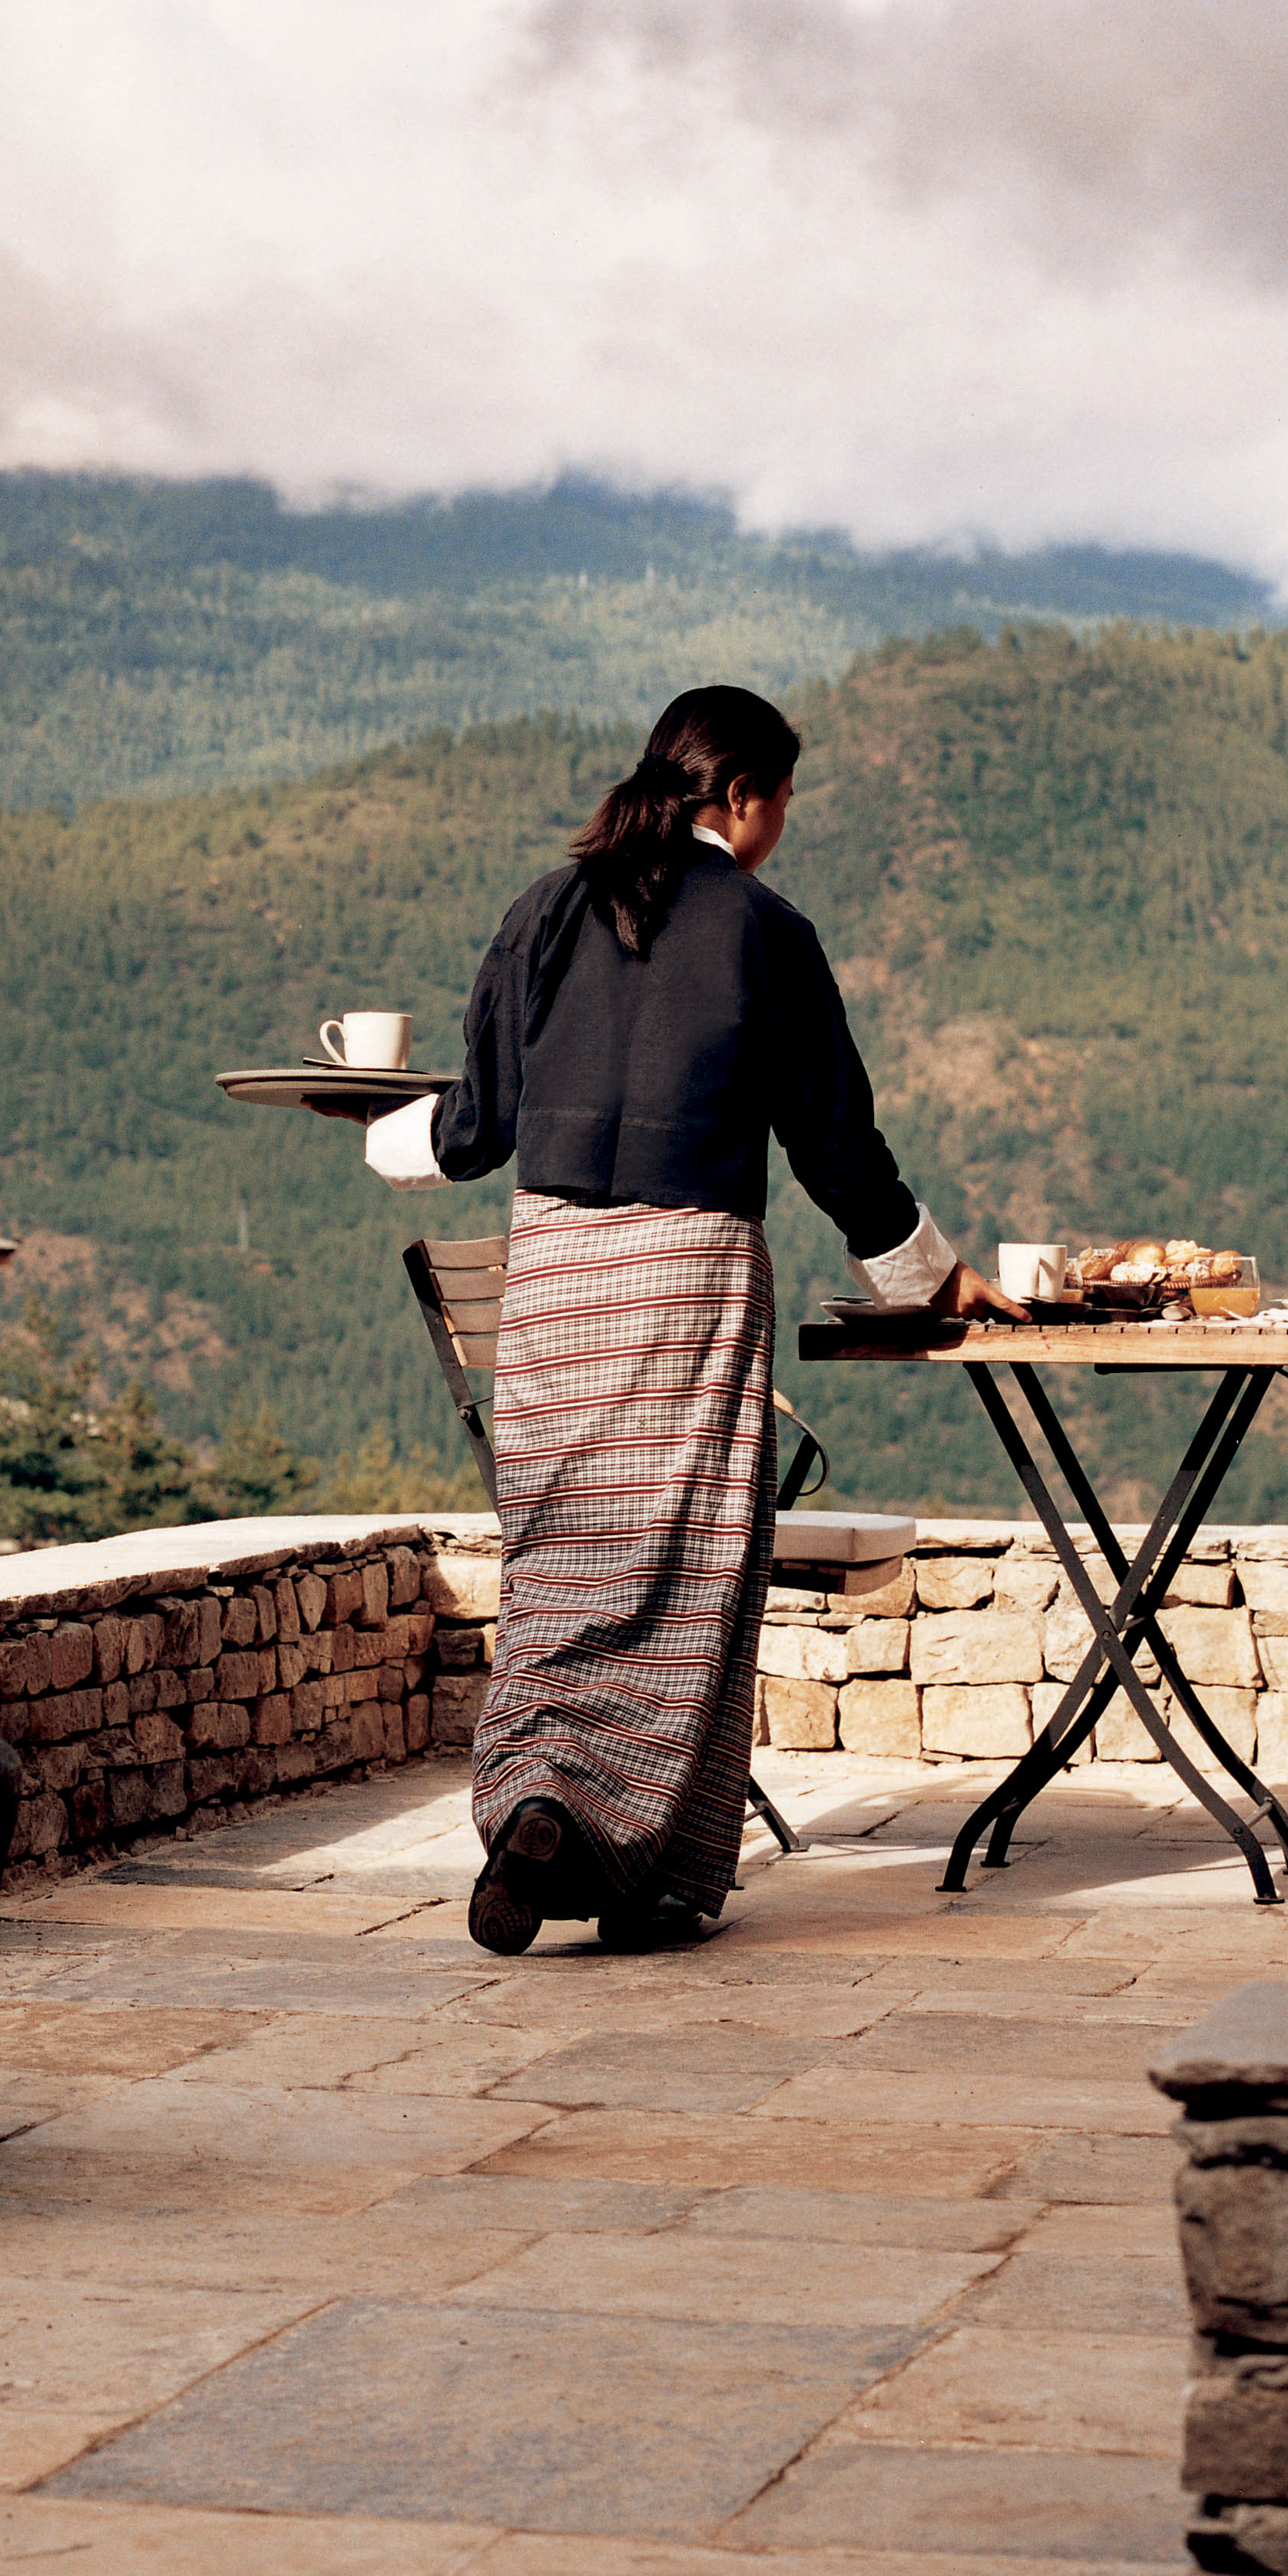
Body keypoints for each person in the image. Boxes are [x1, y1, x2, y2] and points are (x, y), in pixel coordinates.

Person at [362, 685, 1022, 1954]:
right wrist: (934, 1276)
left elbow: (476, 1125)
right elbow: (839, 1150)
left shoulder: (545, 909)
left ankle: (539, 1799)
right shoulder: (767, 932)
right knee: (684, 1566)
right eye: (783, 801)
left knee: (561, 1548)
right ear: (742, 798)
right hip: (692, 1271)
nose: (782, 825)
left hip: (555, 1267)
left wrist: (382, 1137)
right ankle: (645, 1870)